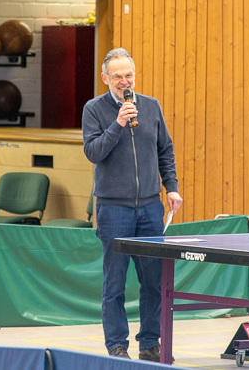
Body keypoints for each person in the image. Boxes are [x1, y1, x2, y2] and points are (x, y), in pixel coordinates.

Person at [82, 47, 183, 362]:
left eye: (129, 76)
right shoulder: (94, 109)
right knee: (115, 281)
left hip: (151, 207)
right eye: (117, 77)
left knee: (154, 280)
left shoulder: (151, 107)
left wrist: (172, 188)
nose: (124, 82)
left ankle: (150, 342)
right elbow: (93, 152)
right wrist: (118, 124)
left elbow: (165, 149)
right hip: (114, 209)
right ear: (105, 78)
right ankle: (116, 344)